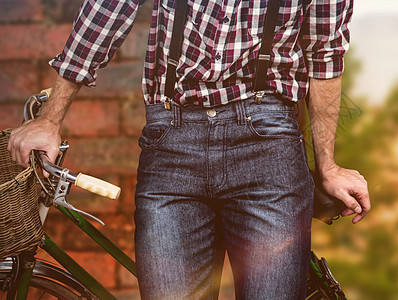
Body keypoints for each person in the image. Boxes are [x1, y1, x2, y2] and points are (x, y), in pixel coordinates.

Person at [7, 0, 370, 298]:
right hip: (172, 142)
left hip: (267, 149)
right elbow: (107, 10)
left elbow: (324, 54)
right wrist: (50, 119)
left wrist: (328, 166)